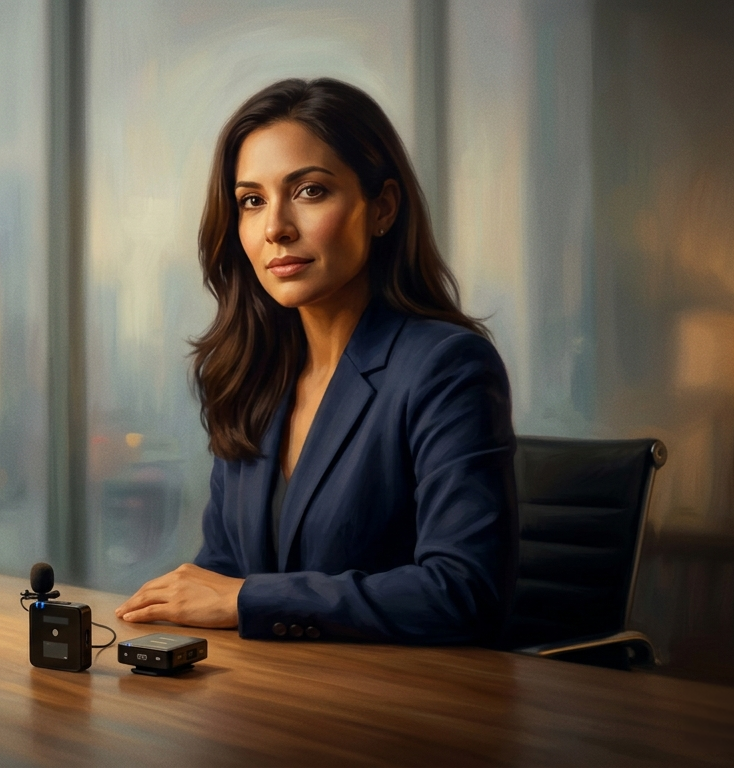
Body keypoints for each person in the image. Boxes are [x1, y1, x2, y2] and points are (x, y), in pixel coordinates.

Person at [114, 78, 517, 644]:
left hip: (403, 713)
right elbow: (222, 573)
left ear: (382, 208)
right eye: (252, 201)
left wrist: (248, 598)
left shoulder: (446, 367)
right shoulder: (251, 374)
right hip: (270, 701)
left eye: (308, 191)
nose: (275, 227)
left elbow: (463, 591)